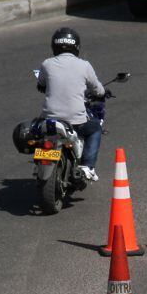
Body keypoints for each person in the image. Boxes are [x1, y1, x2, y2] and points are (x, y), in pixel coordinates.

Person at [36, 27, 105, 181]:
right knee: (95, 128)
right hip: (76, 121)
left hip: (49, 120)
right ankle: (87, 166)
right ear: (76, 47)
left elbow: (40, 83)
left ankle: (39, 161)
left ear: (54, 46)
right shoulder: (84, 65)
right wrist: (102, 93)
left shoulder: (46, 64)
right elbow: (97, 89)